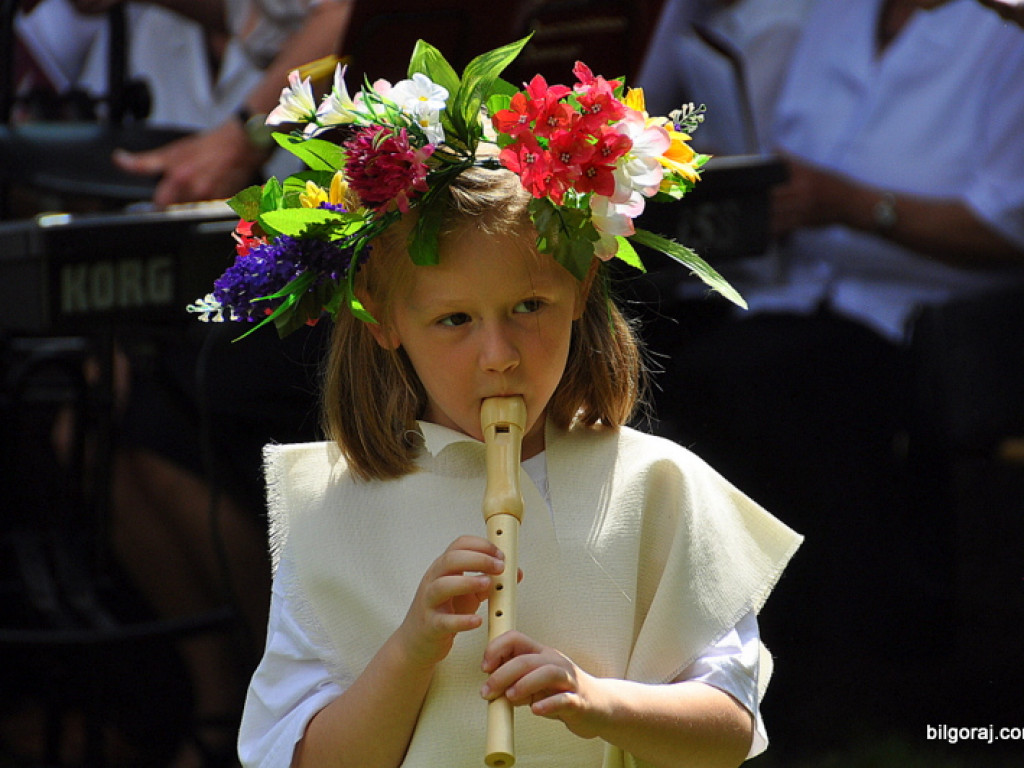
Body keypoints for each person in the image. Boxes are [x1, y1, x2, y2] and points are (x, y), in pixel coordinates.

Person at [186, 37, 803, 767]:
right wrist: (412, 650)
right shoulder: (333, 510)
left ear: (581, 288)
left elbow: (730, 727)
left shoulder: (659, 485)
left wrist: (597, 702)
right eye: (454, 320)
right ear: (384, 321)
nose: (499, 354)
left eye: (529, 306)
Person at [653, 0, 1024, 741]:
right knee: (659, 359)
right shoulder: (838, 11)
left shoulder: (1008, 31)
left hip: (920, 316)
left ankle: (811, 684)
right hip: (787, 292)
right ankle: (694, 664)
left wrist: (852, 205)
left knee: (757, 388)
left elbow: (1008, 226)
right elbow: (782, 152)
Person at [635, 0, 819, 155]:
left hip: (747, 172)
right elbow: (652, 99)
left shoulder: (780, 24)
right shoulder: (716, 10)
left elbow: (748, 150)